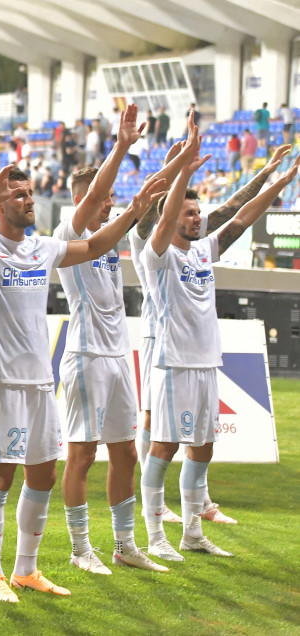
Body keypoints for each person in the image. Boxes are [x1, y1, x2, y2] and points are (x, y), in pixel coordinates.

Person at [0, 162, 158, 604]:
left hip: (40, 381)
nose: (29, 200)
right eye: (19, 194)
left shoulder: (43, 248)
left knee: (42, 475)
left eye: (29, 192)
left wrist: (132, 213)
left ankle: (26, 569)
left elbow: (98, 243)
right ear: (1, 201)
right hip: (1, 380)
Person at [140, 137, 299, 561]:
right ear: (172, 218)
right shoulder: (156, 257)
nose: (198, 218)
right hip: (173, 364)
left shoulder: (203, 251)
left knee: (203, 447)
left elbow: (242, 219)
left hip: (207, 363)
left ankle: (192, 533)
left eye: (198, 213)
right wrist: (184, 174)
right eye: (190, 213)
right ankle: (155, 534)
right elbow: (165, 221)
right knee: (164, 447)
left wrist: (279, 182)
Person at [54, 104, 170, 576]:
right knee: (82, 457)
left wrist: (178, 163)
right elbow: (101, 196)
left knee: (125, 452)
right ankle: (81, 549)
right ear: (80, 200)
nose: (108, 203)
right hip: (85, 357)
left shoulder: (113, 231)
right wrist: (121, 146)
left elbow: (143, 204)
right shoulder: (70, 232)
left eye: (109, 199)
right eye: (99, 198)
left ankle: (124, 544)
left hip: (118, 357)